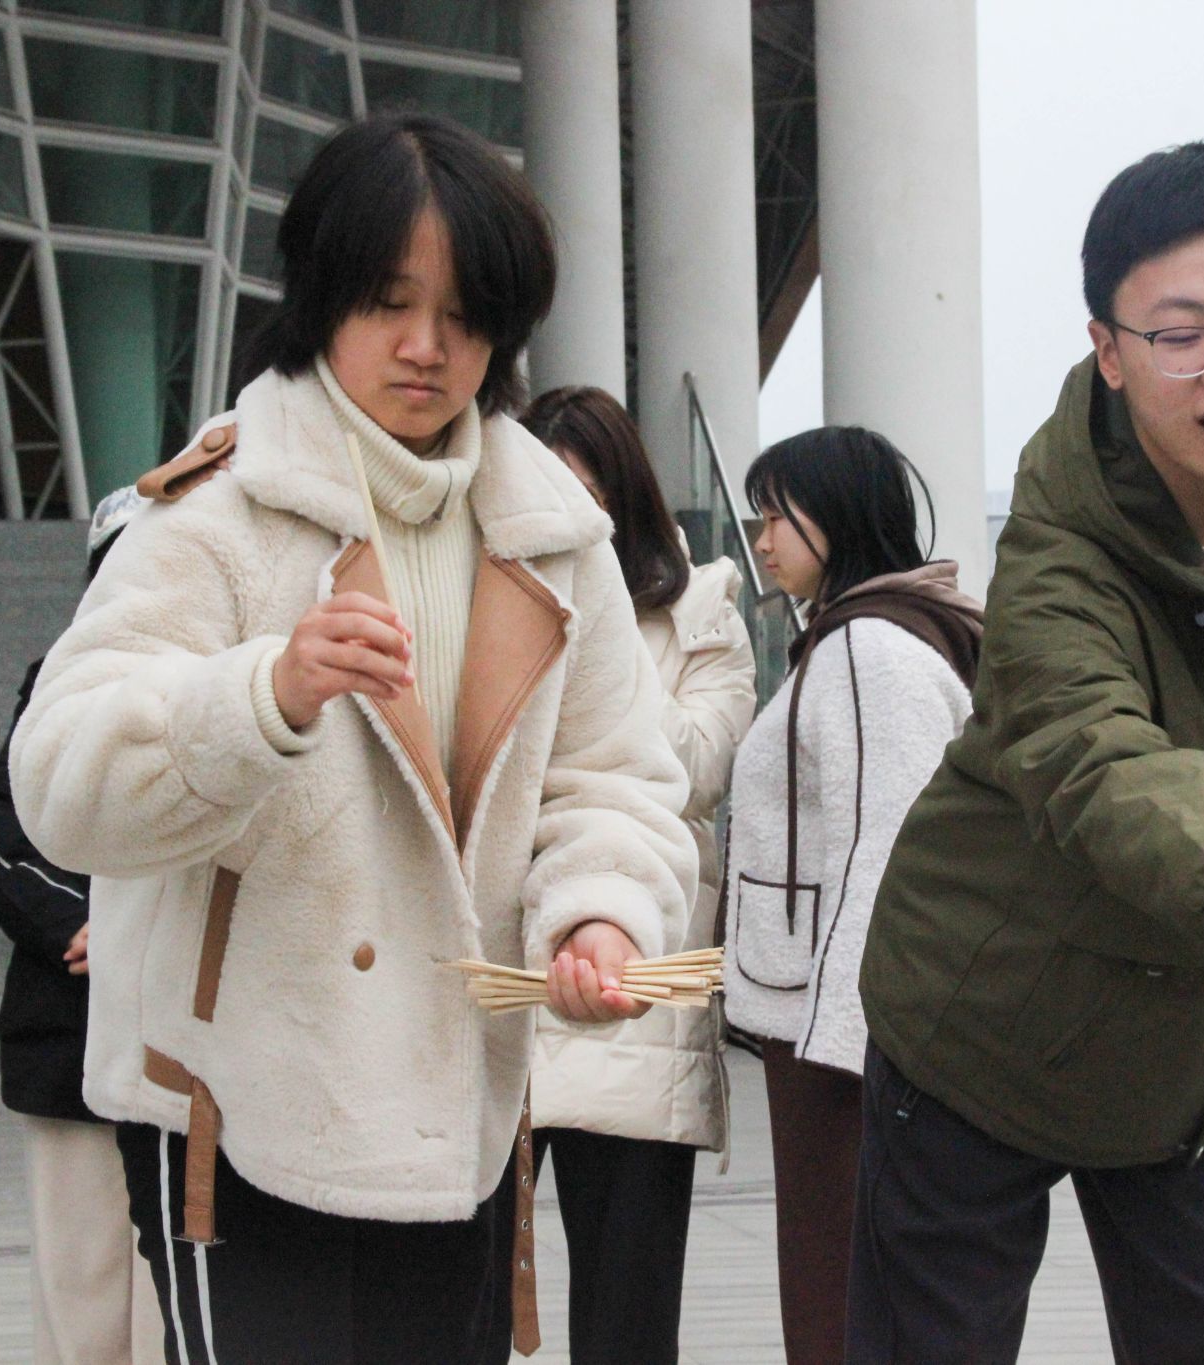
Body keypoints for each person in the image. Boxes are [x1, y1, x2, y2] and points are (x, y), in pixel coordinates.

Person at [7, 113, 695, 1364]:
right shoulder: (216, 511)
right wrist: (261, 697)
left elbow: (613, 779)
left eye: (465, 314)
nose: (427, 347)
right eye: (389, 302)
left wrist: (598, 917)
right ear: (322, 295)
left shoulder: (556, 534)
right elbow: (59, 780)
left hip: (454, 1120)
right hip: (237, 1111)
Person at [849, 142, 1204, 1364]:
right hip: (983, 1024)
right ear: (1107, 351)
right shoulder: (1057, 549)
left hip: (1192, 1044)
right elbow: (1093, 750)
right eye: (1181, 334)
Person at [479, 385, 756, 1365]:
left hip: (633, 991)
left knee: (627, 1319)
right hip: (505, 984)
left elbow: (692, 769)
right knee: (459, 1306)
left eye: (587, 497)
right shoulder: (484, 597)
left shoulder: (704, 614)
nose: (566, 519)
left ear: (624, 498)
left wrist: (593, 638)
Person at [721, 427, 982, 1365]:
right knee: (840, 1290)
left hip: (840, 1041)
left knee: (837, 1297)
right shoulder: (861, 634)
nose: (761, 537)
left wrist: (847, 1051)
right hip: (832, 1025)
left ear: (838, 514)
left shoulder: (871, 649)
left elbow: (886, 850)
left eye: (777, 514)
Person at [0, 489, 161, 1365]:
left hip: (191, 1038)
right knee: (81, 1286)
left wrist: (138, 932)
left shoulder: (240, 684)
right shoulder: (55, 681)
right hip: (68, 1030)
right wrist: (79, 924)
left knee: (180, 1296)